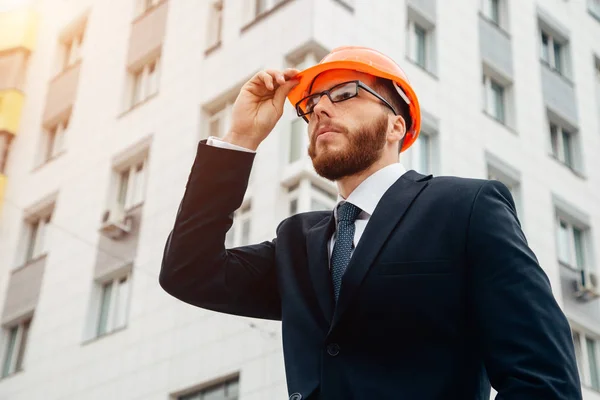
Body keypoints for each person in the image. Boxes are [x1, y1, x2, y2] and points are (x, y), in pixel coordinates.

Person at [159, 46, 582, 399]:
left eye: (345, 94)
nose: (320, 108)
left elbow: (543, 379)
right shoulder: (297, 242)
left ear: (397, 125)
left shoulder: (467, 207)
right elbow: (187, 271)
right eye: (311, 106)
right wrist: (240, 140)